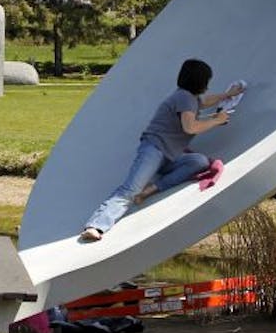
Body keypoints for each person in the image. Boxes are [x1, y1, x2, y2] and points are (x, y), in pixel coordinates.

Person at [79, 58, 244, 242]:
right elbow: (190, 127)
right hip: (154, 149)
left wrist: (227, 95)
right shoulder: (184, 98)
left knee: (199, 162)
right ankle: (96, 226)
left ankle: (151, 190)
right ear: (200, 81)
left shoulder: (189, 97)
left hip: (170, 155)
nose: (207, 85)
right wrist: (216, 120)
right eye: (207, 80)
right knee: (130, 189)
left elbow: (204, 101)